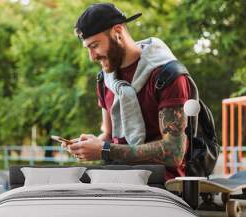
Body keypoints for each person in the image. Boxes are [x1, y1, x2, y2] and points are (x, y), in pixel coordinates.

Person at [64, 3, 192, 180]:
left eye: (94, 46)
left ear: (117, 32)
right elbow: (109, 135)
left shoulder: (167, 74)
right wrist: (89, 145)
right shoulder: (104, 81)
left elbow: (174, 152)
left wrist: (105, 150)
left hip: (160, 187)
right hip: (115, 181)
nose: (92, 57)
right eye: (88, 48)